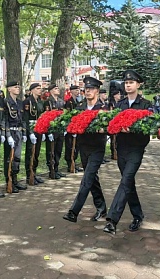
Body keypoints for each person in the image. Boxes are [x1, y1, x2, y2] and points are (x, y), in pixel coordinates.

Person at [103, 70, 152, 235]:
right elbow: (112, 125)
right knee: (128, 182)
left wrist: (134, 130)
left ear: (138, 84)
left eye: (131, 82)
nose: (128, 85)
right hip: (121, 148)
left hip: (136, 149)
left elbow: (149, 127)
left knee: (125, 181)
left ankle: (112, 220)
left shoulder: (146, 104)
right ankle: (138, 215)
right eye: (126, 83)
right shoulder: (120, 105)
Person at [63, 76, 108, 223]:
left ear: (97, 91)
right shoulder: (79, 107)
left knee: (87, 178)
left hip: (97, 147)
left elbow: (107, 126)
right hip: (83, 146)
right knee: (92, 178)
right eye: (86, 89)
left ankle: (73, 211)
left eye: (91, 89)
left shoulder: (103, 109)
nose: (88, 92)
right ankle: (101, 208)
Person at [3, 81, 27, 194]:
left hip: (18, 132)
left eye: (18, 86)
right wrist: (7, 135)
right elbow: (5, 120)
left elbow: (23, 119)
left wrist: (25, 133)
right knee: (9, 158)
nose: (18, 88)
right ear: (9, 89)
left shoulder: (20, 103)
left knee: (17, 157)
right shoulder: (5, 102)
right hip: (11, 132)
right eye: (15, 87)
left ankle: (15, 180)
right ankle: (9, 181)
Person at [23, 83, 46, 185]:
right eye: (37, 88)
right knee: (30, 153)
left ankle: (34, 173)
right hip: (31, 129)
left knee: (36, 153)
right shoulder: (27, 102)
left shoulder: (40, 101)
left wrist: (44, 130)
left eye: (40, 88)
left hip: (39, 128)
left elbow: (42, 116)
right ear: (32, 90)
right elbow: (26, 118)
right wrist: (30, 132)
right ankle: (29, 175)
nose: (40, 90)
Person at [44, 84, 66, 179]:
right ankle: (51, 170)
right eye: (56, 89)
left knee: (58, 150)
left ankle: (56, 169)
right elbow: (46, 117)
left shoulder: (61, 102)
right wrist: (48, 132)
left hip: (60, 129)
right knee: (51, 151)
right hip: (52, 130)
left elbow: (63, 115)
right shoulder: (48, 102)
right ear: (51, 91)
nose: (58, 90)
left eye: (58, 88)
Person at [64, 85, 83, 173]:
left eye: (78, 90)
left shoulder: (79, 102)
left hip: (77, 127)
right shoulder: (69, 102)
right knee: (70, 146)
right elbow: (68, 116)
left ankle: (74, 163)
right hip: (71, 128)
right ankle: (70, 164)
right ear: (71, 91)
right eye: (75, 90)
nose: (77, 91)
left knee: (76, 146)